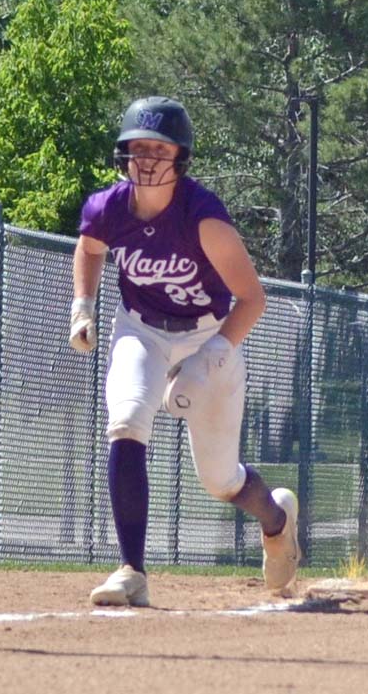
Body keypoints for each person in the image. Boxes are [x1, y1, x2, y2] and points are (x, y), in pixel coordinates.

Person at [69, 96, 300, 607]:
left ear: (181, 158)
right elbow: (88, 247)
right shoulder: (107, 207)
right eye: (138, 148)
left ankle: (276, 519)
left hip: (209, 334)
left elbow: (252, 299)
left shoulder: (202, 216)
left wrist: (207, 357)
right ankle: (132, 571)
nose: (147, 159)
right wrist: (83, 306)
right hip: (141, 328)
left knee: (220, 479)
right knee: (127, 420)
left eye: (159, 149)